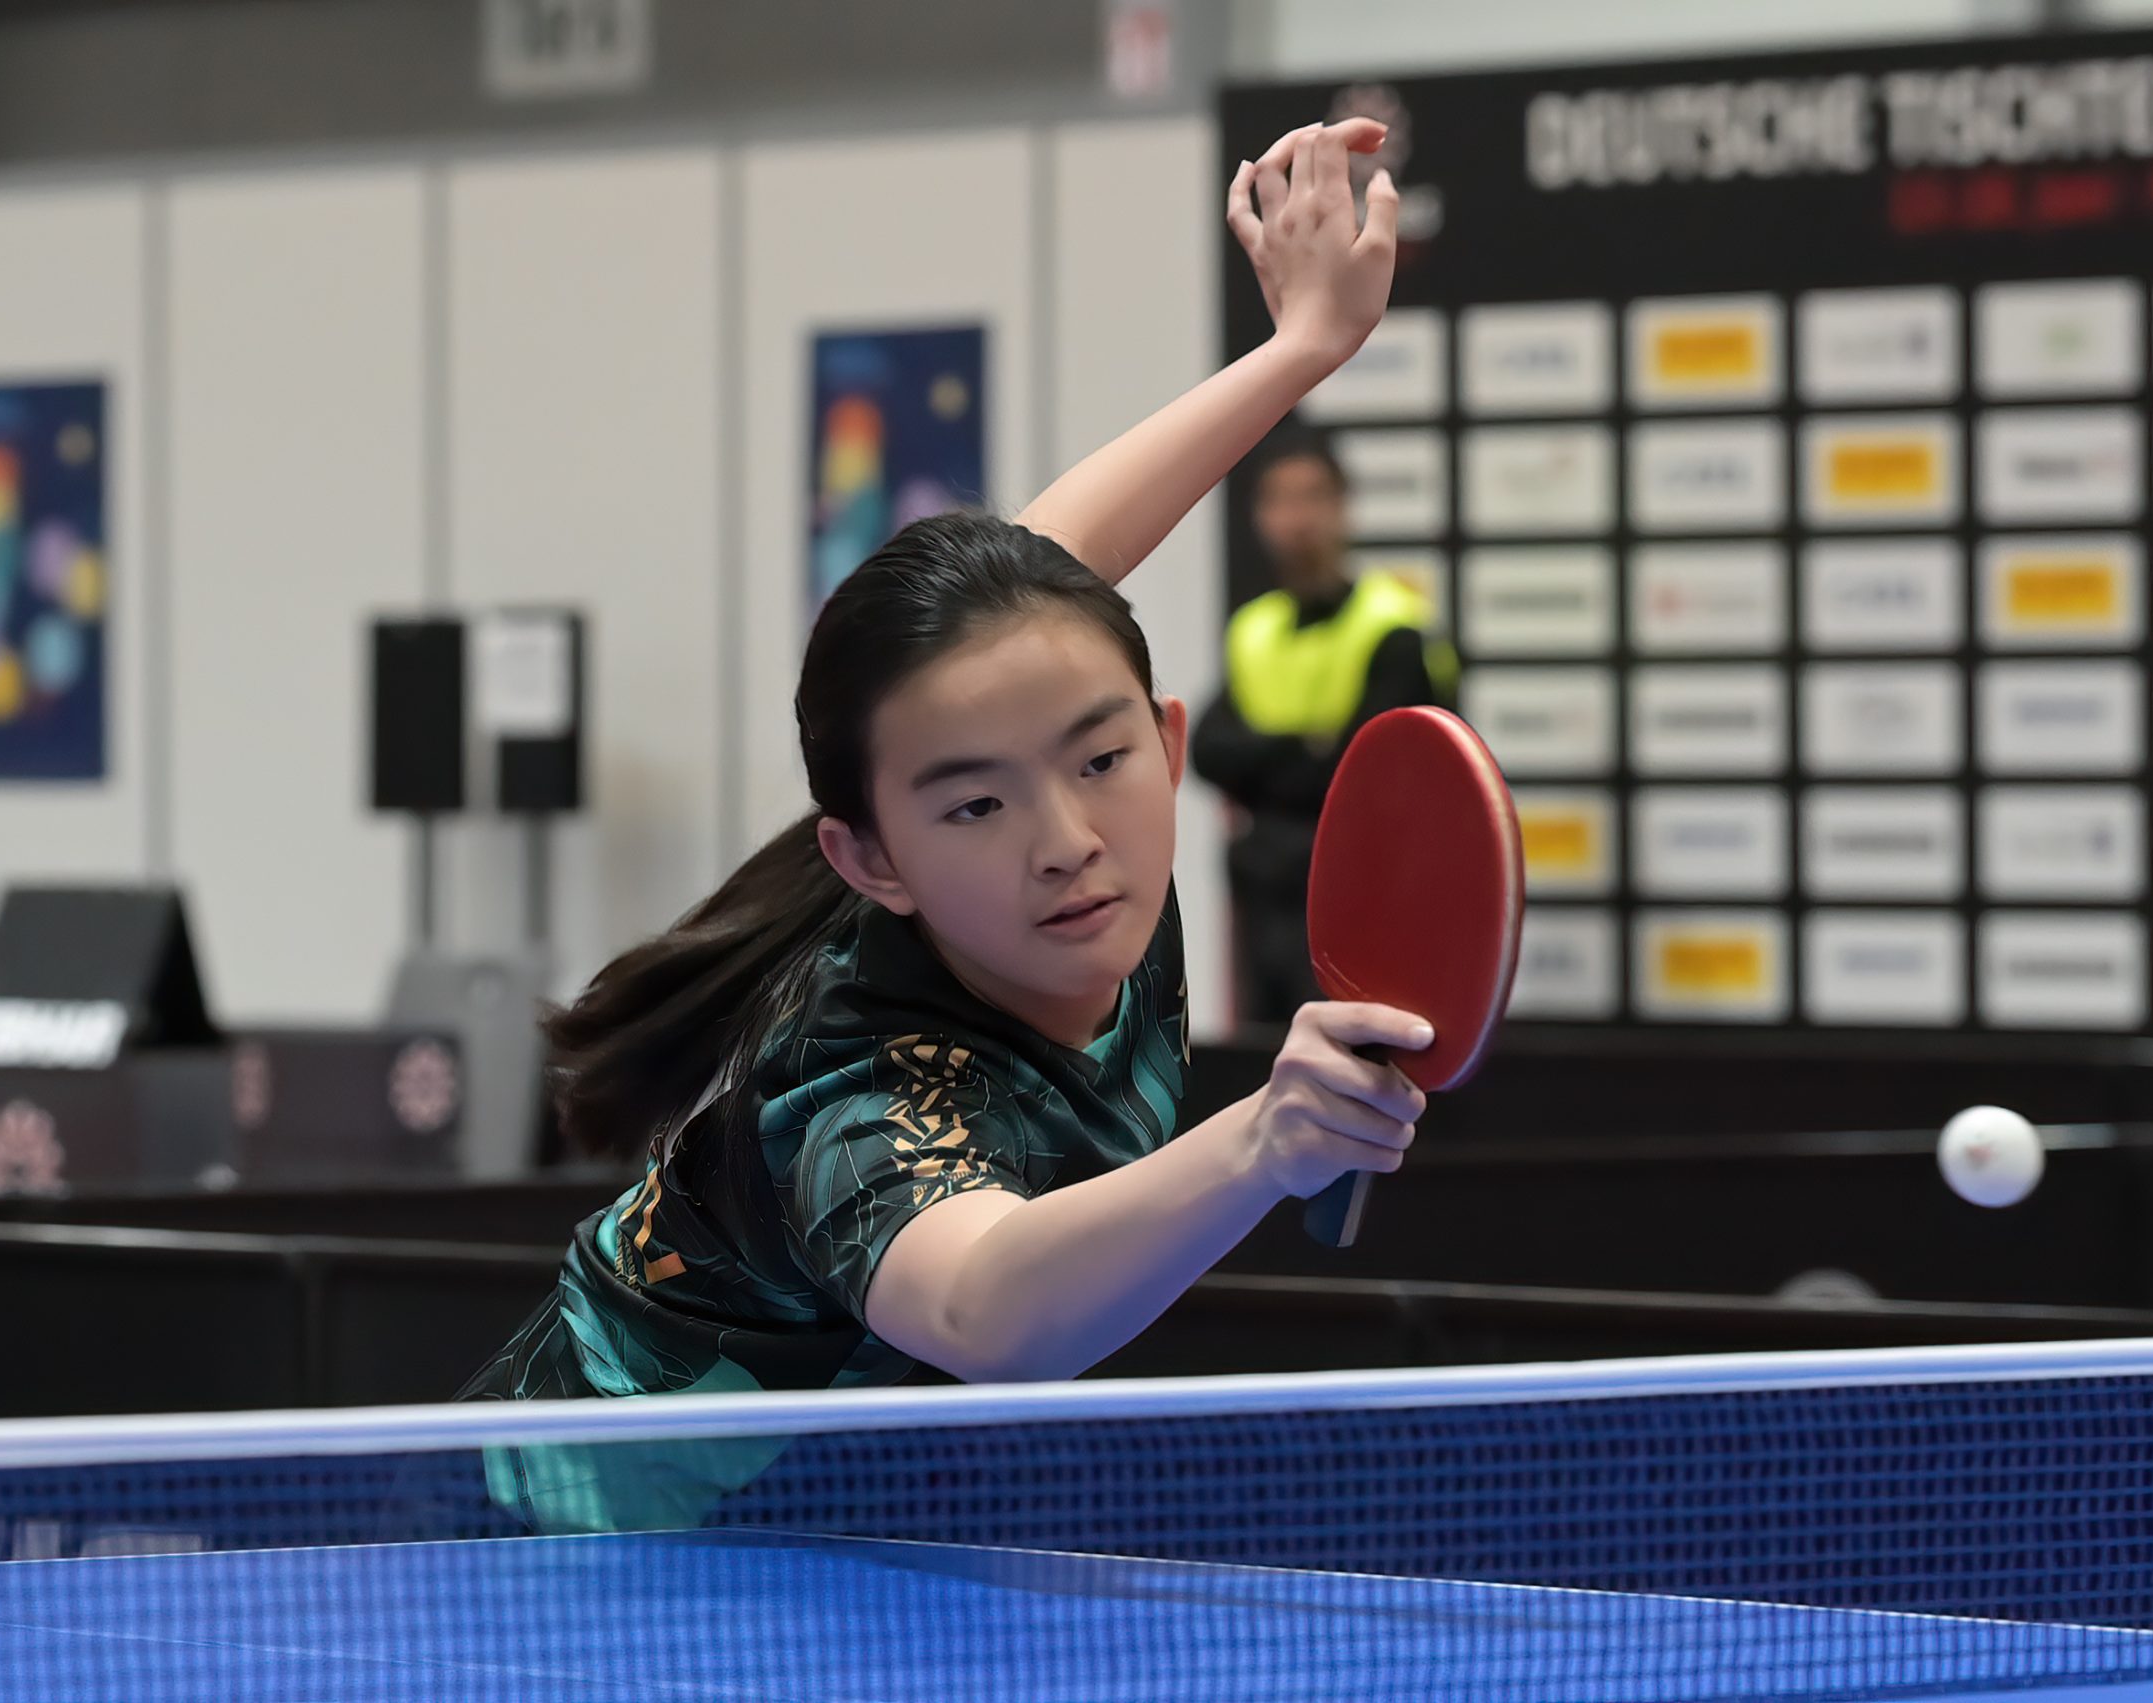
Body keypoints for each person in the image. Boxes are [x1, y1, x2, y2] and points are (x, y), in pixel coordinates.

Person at [465, 119, 1433, 1533]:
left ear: (1166, 743)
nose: (1065, 835)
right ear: (870, 857)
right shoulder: (846, 1087)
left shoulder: (1079, 834)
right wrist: (1263, 1144)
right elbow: (984, 1302)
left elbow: (1032, 580)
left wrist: (1301, 348)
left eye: (1101, 756)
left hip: (830, 1538)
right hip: (575, 1558)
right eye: (975, 801)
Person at [1192, 431, 1456, 1027]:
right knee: (1266, 1059)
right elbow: (1209, 751)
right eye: (1280, 500)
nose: (1297, 518)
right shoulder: (1252, 630)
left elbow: (1371, 778)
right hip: (1266, 898)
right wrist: (1308, 749)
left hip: (1366, 896)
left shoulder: (1395, 627)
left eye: (1312, 496)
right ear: (1260, 516)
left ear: (1342, 507)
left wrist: (1270, 763)